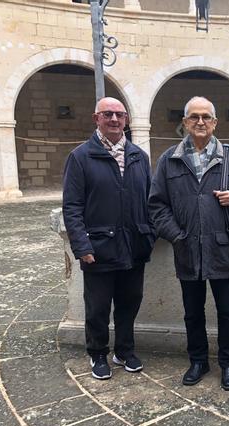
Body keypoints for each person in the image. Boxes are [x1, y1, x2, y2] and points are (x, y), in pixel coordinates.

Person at [149, 96, 229, 391]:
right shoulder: (169, 159)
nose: (200, 122)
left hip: (221, 248)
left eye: (206, 117)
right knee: (192, 311)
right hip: (187, 249)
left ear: (214, 122)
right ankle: (198, 361)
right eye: (194, 117)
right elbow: (156, 205)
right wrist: (176, 235)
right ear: (184, 123)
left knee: (227, 311)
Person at [63, 97, 155, 380]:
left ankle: (124, 350)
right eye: (108, 114)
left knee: (130, 302)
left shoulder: (139, 156)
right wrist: (82, 246)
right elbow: (72, 207)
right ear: (96, 119)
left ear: (126, 119)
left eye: (119, 114)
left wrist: (149, 235)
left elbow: (150, 200)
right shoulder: (81, 157)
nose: (114, 119)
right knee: (98, 306)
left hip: (133, 246)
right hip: (98, 248)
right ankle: (98, 354)